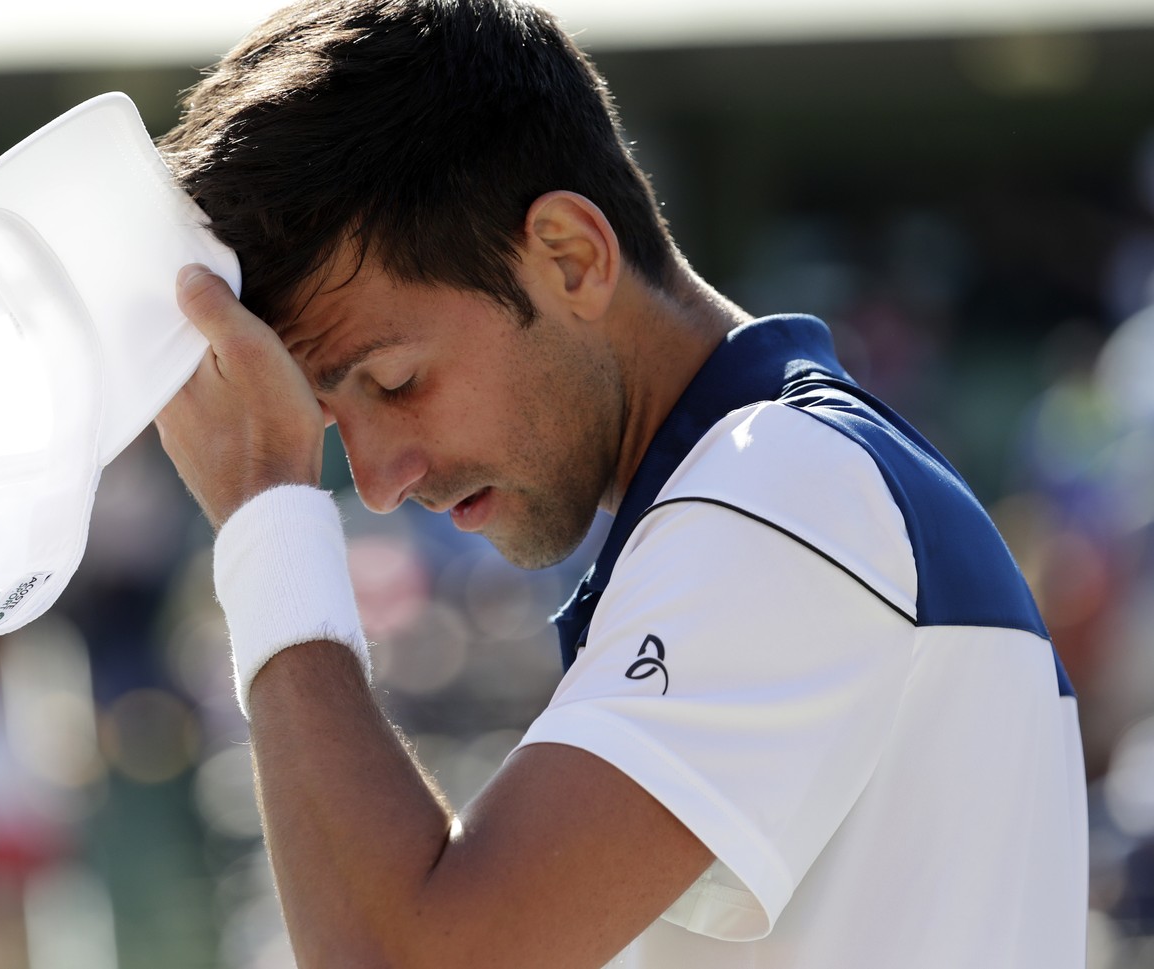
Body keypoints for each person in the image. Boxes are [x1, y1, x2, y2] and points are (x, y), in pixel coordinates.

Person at [152, 1, 1089, 966]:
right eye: (335, 418)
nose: (381, 483)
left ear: (571, 255)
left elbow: (406, 957)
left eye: (396, 381)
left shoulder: (779, 485)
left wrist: (266, 511)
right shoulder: (797, 479)